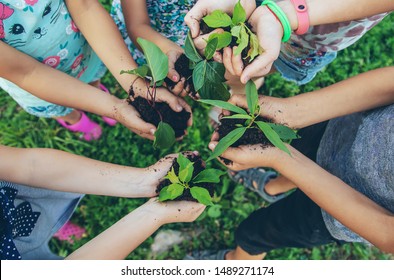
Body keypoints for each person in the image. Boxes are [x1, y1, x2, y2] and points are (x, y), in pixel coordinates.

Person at [187, 67, 394, 259]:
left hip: (339, 211)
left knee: (255, 234)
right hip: (341, 127)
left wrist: (278, 156)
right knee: (301, 147)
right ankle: (271, 187)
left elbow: (387, 233)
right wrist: (291, 112)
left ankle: (231, 264)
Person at [0, 0, 191, 141]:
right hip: (38, 86)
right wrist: (115, 109)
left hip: (85, 56)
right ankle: (73, 119)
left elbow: (85, 7)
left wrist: (135, 85)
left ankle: (96, 94)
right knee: (61, 107)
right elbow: (27, 73)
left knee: (93, 81)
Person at [0, 146, 204, 259]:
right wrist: (154, 214)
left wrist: (144, 181)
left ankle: (47, 226)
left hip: (14, 211)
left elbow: (30, 166)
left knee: (38, 218)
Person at [185, 0, 393, 85]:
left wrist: (282, 15)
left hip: (317, 23)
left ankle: (249, 84)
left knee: (256, 63)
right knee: (238, 59)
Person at [110, 0, 197, 97]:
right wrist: (167, 50)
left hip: (187, 42)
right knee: (154, 75)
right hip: (147, 37)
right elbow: (137, 25)